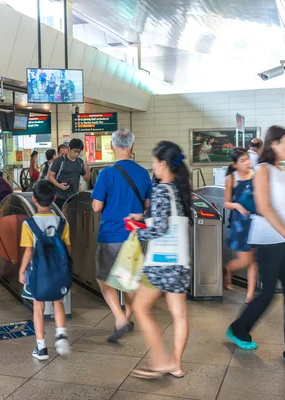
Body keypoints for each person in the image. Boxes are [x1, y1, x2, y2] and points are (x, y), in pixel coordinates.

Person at [226, 126, 285, 370]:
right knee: (267, 294)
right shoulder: (263, 170)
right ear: (272, 144)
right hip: (270, 239)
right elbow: (264, 207)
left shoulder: (284, 169)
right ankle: (239, 328)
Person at [126, 141, 192, 379]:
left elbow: (160, 228)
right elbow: (166, 216)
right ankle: (175, 364)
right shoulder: (178, 189)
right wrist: (143, 216)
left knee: (140, 309)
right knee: (180, 315)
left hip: (162, 263)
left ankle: (159, 360)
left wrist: (137, 229)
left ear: (163, 164)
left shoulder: (162, 189)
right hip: (180, 263)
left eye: (154, 162)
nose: (152, 166)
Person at [91, 129, 152, 342]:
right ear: (132, 147)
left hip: (112, 233)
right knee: (130, 279)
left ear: (111, 146)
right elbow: (147, 205)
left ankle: (119, 318)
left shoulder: (106, 174)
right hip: (135, 233)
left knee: (104, 278)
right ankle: (127, 316)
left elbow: (97, 207)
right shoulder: (144, 173)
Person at [18, 180, 71, 360]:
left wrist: (22, 270)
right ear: (54, 198)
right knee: (58, 302)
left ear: (34, 199)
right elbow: (67, 249)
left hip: (37, 273)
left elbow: (28, 251)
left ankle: (41, 348)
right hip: (57, 271)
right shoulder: (62, 222)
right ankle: (61, 335)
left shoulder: (29, 224)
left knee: (38, 308)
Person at [224, 148, 257, 304]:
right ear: (235, 164)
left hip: (256, 222)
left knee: (253, 261)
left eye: (248, 158)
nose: (247, 162)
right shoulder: (231, 178)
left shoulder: (256, 175)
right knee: (244, 261)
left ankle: (250, 294)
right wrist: (236, 205)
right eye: (242, 160)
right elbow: (226, 203)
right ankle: (228, 270)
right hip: (240, 224)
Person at [48, 138, 90, 211]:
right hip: (60, 196)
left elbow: (86, 179)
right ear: (69, 148)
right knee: (62, 219)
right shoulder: (60, 161)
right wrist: (59, 185)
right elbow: (50, 176)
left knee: (72, 220)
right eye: (75, 151)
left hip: (74, 197)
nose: (77, 154)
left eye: (79, 152)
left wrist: (87, 170)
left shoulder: (80, 162)